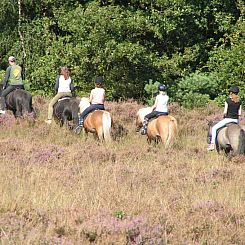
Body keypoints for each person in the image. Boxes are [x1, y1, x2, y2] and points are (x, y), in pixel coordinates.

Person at [207, 86, 242, 151]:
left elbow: (225, 112)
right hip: (236, 121)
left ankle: (212, 144)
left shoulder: (227, 100)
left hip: (228, 119)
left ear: (231, 93)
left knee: (214, 128)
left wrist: (224, 116)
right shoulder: (239, 102)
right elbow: (239, 113)